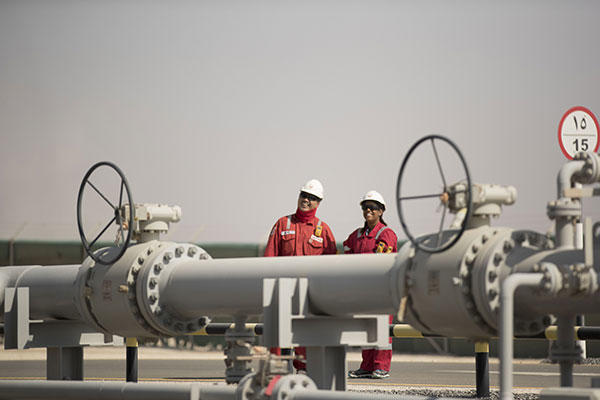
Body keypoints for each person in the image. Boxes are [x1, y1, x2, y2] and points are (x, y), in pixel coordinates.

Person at [264, 178, 337, 372]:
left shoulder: (324, 230)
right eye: (304, 195)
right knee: (278, 329)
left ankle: (303, 368)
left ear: (318, 202)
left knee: (306, 330)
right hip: (283, 290)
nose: (306, 200)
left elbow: (332, 265)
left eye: (312, 198)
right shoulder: (282, 223)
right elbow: (269, 257)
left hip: (311, 294)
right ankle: (276, 367)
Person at [344, 190, 397, 379]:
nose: (368, 210)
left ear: (381, 211)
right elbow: (347, 253)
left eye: (373, 208)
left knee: (381, 330)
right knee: (367, 329)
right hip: (363, 291)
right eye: (365, 207)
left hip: (381, 290)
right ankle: (367, 366)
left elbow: (381, 261)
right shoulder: (357, 235)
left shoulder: (386, 234)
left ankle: (381, 366)